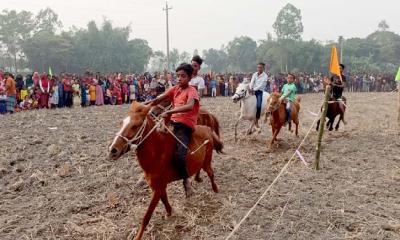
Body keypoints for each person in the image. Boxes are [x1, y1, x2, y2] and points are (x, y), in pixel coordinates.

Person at [148, 63, 200, 197]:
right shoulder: (175, 89)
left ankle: (186, 181)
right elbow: (159, 98)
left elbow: (189, 106)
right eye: (177, 76)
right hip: (172, 123)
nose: (179, 78)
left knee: (179, 155)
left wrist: (170, 111)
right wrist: (145, 104)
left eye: (183, 76)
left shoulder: (192, 91)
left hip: (185, 126)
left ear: (189, 78)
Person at [249, 62, 268, 127]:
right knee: (244, 98)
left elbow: (261, 85)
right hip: (252, 90)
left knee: (259, 105)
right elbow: (252, 82)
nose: (259, 68)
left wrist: (254, 90)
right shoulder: (254, 74)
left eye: (260, 67)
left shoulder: (265, 76)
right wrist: (251, 88)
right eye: (258, 67)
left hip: (259, 91)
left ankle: (257, 119)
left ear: (263, 68)